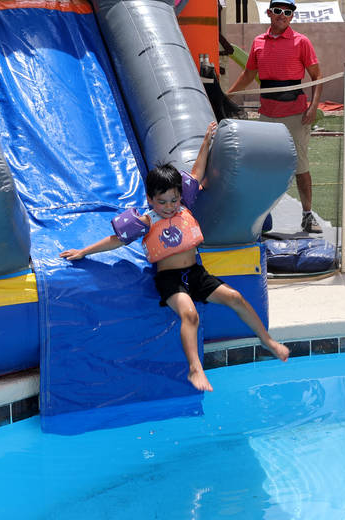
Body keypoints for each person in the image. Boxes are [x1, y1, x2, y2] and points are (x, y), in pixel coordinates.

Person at [60, 122, 290, 392]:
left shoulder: (184, 206)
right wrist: (84, 251)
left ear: (180, 196)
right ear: (150, 199)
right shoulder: (146, 220)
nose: (169, 207)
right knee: (189, 315)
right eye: (162, 202)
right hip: (170, 280)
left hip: (196, 273)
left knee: (236, 298)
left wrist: (206, 141)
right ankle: (195, 368)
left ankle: (268, 340)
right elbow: (116, 240)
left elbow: (197, 172)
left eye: (173, 200)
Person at [226, 0, 323, 234]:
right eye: (278, 10)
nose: (282, 16)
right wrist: (226, 96)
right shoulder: (259, 42)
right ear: (269, 13)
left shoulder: (302, 42)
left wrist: (313, 107)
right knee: (263, 165)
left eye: (288, 12)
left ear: (292, 16)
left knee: (300, 166)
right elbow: (248, 75)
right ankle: (259, 216)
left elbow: (318, 78)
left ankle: (308, 215)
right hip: (268, 114)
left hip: (296, 114)